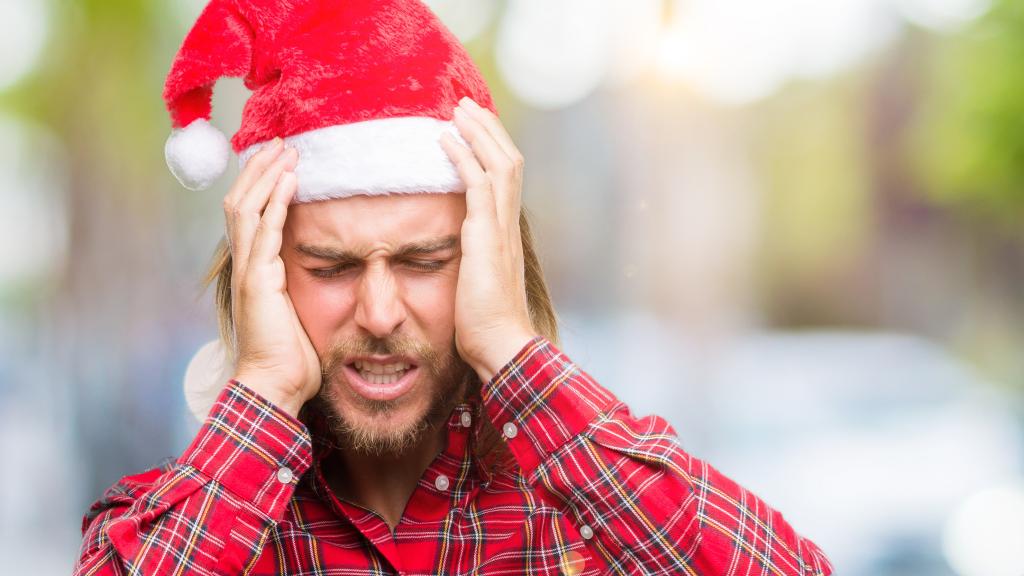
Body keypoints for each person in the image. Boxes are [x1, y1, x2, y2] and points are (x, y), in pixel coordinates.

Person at [74, 1, 833, 574]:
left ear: (491, 261)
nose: (379, 313)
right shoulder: (182, 521)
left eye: (424, 261)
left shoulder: (596, 514)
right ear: (263, 276)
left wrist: (511, 349)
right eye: (332, 268)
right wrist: (266, 387)